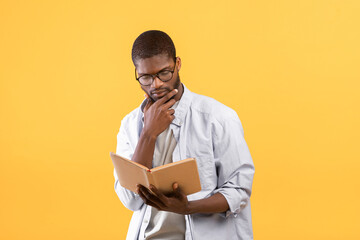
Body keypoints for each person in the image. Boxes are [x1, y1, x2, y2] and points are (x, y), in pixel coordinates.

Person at [114, 30, 255, 240]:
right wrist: (148, 134)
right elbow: (130, 200)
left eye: (164, 73)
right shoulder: (130, 125)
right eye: (145, 77)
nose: (157, 84)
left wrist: (188, 207)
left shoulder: (218, 118)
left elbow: (238, 191)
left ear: (177, 64)